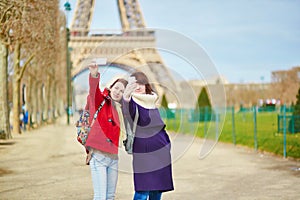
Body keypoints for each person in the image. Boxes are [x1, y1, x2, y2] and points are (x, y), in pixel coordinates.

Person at [123, 71, 174, 200]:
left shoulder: (152, 101)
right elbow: (128, 112)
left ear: (146, 84)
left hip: (161, 150)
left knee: (157, 191)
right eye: (134, 84)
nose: (138, 87)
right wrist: (126, 97)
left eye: (141, 83)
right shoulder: (132, 102)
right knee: (142, 190)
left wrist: (167, 143)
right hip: (144, 152)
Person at [85, 62, 128, 200]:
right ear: (111, 87)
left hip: (113, 158)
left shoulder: (120, 109)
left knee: (110, 196)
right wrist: (94, 74)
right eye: (117, 88)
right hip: (99, 156)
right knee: (100, 196)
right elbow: (93, 91)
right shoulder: (101, 100)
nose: (118, 92)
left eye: (122, 91)